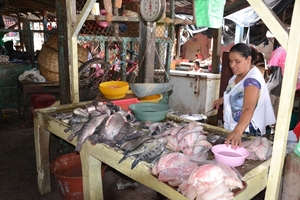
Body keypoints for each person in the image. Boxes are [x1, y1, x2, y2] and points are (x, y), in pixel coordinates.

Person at [212, 43, 276, 149]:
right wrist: (223, 100)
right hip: (235, 126)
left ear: (248, 60)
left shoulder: (252, 81)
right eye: (230, 61)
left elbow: (248, 108)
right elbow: (238, 93)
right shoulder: (239, 74)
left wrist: (238, 131)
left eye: (237, 61)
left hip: (246, 130)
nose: (232, 65)